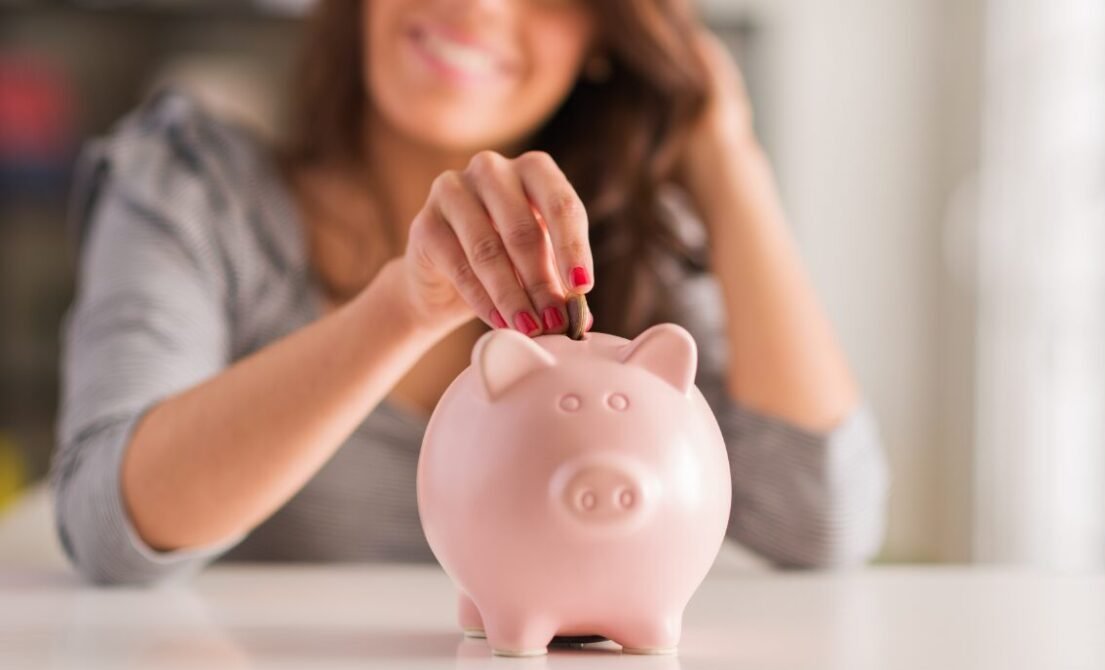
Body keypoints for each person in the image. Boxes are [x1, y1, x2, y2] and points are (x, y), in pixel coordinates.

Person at [52, 0, 888, 585]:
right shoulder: (195, 186)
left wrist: (724, 152)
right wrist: (401, 310)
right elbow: (106, 530)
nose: (479, 5)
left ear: (606, 32)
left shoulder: (634, 239)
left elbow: (818, 523)